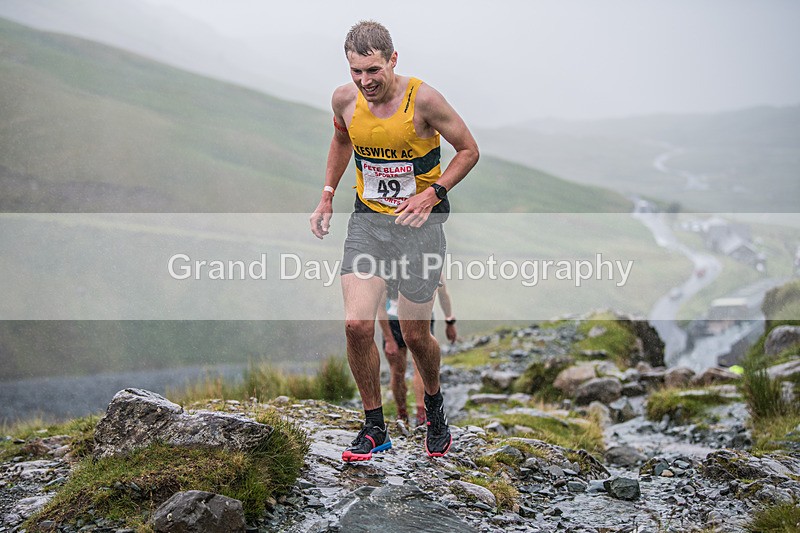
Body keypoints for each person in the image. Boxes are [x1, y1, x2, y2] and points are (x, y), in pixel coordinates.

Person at [309, 20, 479, 462]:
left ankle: (435, 408)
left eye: (373, 70)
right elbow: (341, 139)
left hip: (420, 229)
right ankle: (374, 427)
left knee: (416, 334)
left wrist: (433, 192)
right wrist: (327, 196)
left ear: (392, 60)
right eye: (356, 71)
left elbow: (468, 150)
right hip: (368, 222)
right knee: (356, 325)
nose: (364, 81)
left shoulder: (423, 99)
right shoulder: (344, 100)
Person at [378, 277, 457, 427]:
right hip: (397, 320)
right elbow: (380, 306)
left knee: (415, 368)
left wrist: (449, 321)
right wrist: (389, 339)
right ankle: (404, 414)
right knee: (399, 370)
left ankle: (420, 414)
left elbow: (443, 292)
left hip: (414, 318)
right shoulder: (391, 264)